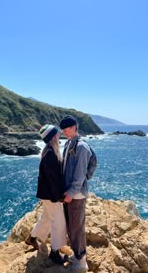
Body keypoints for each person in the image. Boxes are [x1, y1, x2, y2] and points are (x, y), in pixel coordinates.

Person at [25, 124, 67, 265]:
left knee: (47, 217)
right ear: (51, 137)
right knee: (58, 222)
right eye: (56, 134)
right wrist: (58, 197)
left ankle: (32, 238)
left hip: (46, 194)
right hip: (50, 195)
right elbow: (52, 179)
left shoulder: (48, 151)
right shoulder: (50, 154)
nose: (58, 135)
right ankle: (55, 252)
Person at [59, 115, 92, 271]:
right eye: (63, 130)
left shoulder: (81, 147)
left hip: (76, 195)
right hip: (70, 193)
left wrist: (71, 192)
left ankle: (81, 262)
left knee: (77, 228)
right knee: (72, 226)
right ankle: (77, 255)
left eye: (66, 129)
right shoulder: (69, 143)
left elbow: (80, 174)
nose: (64, 132)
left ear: (74, 127)